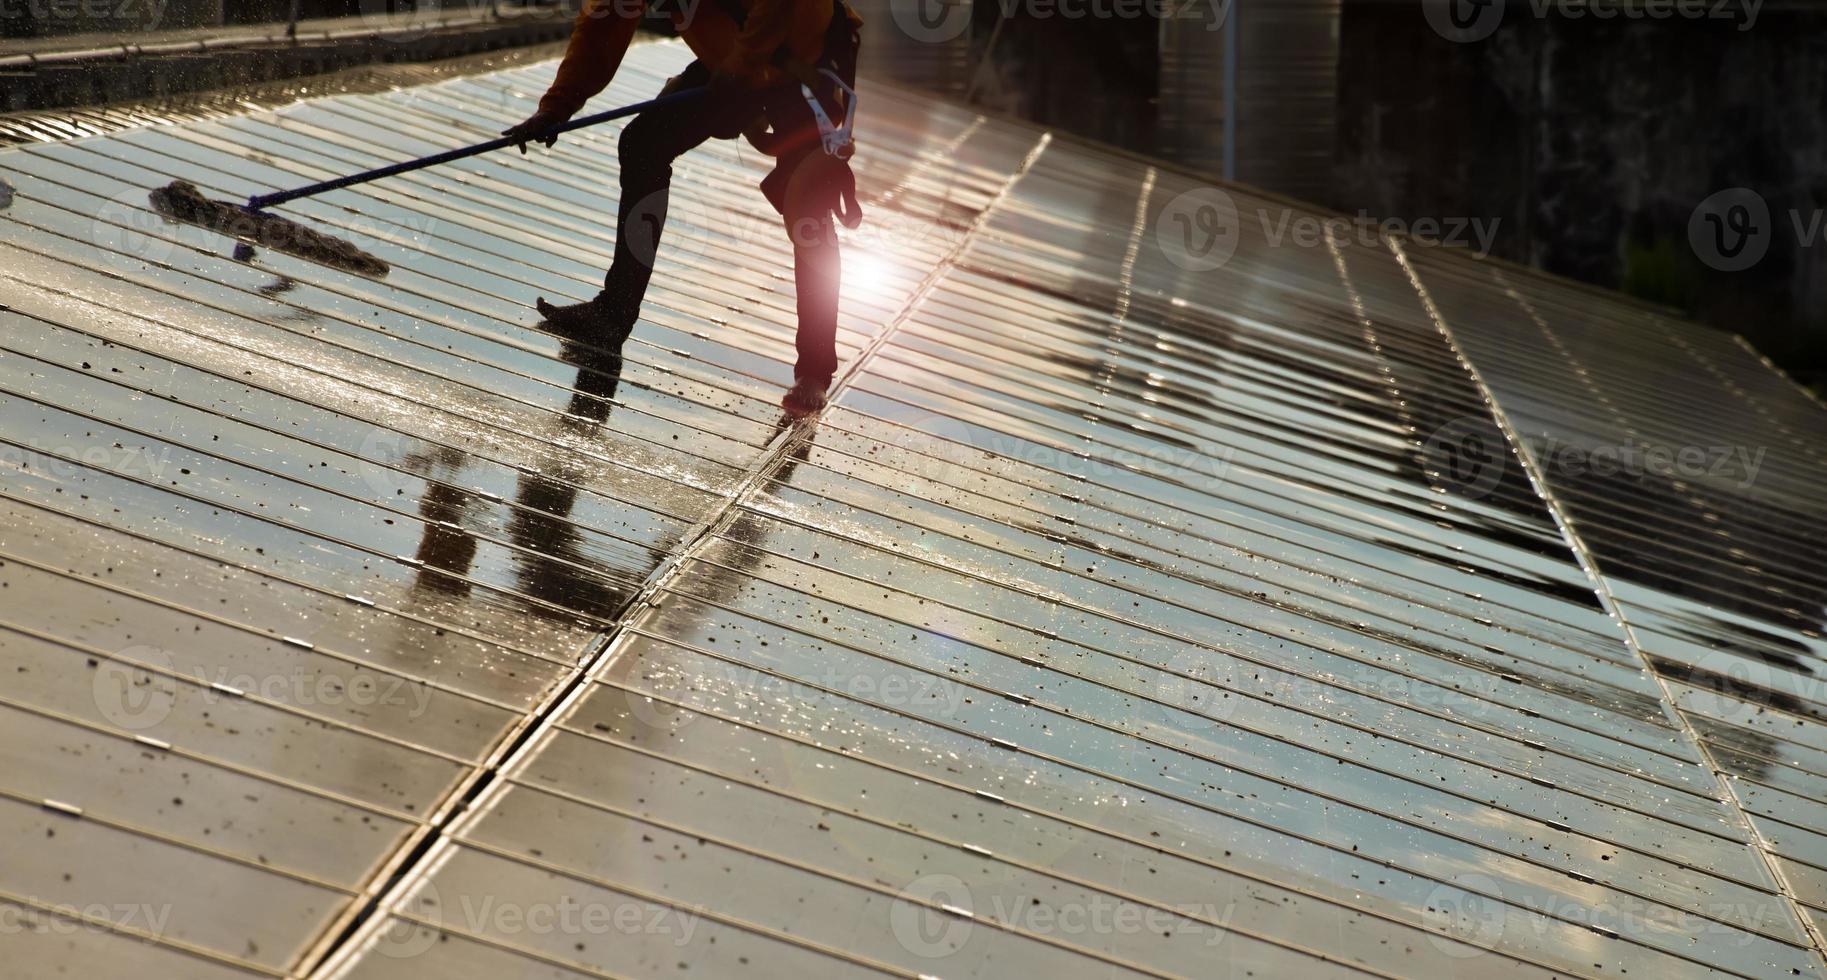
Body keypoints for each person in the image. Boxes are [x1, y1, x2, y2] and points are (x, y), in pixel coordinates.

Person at [504, 0, 863, 415]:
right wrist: (556, 107)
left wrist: (739, 71)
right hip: (733, 56)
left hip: (808, 51)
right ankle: (613, 315)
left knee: (806, 207)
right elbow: (602, 31)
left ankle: (815, 372)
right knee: (644, 144)